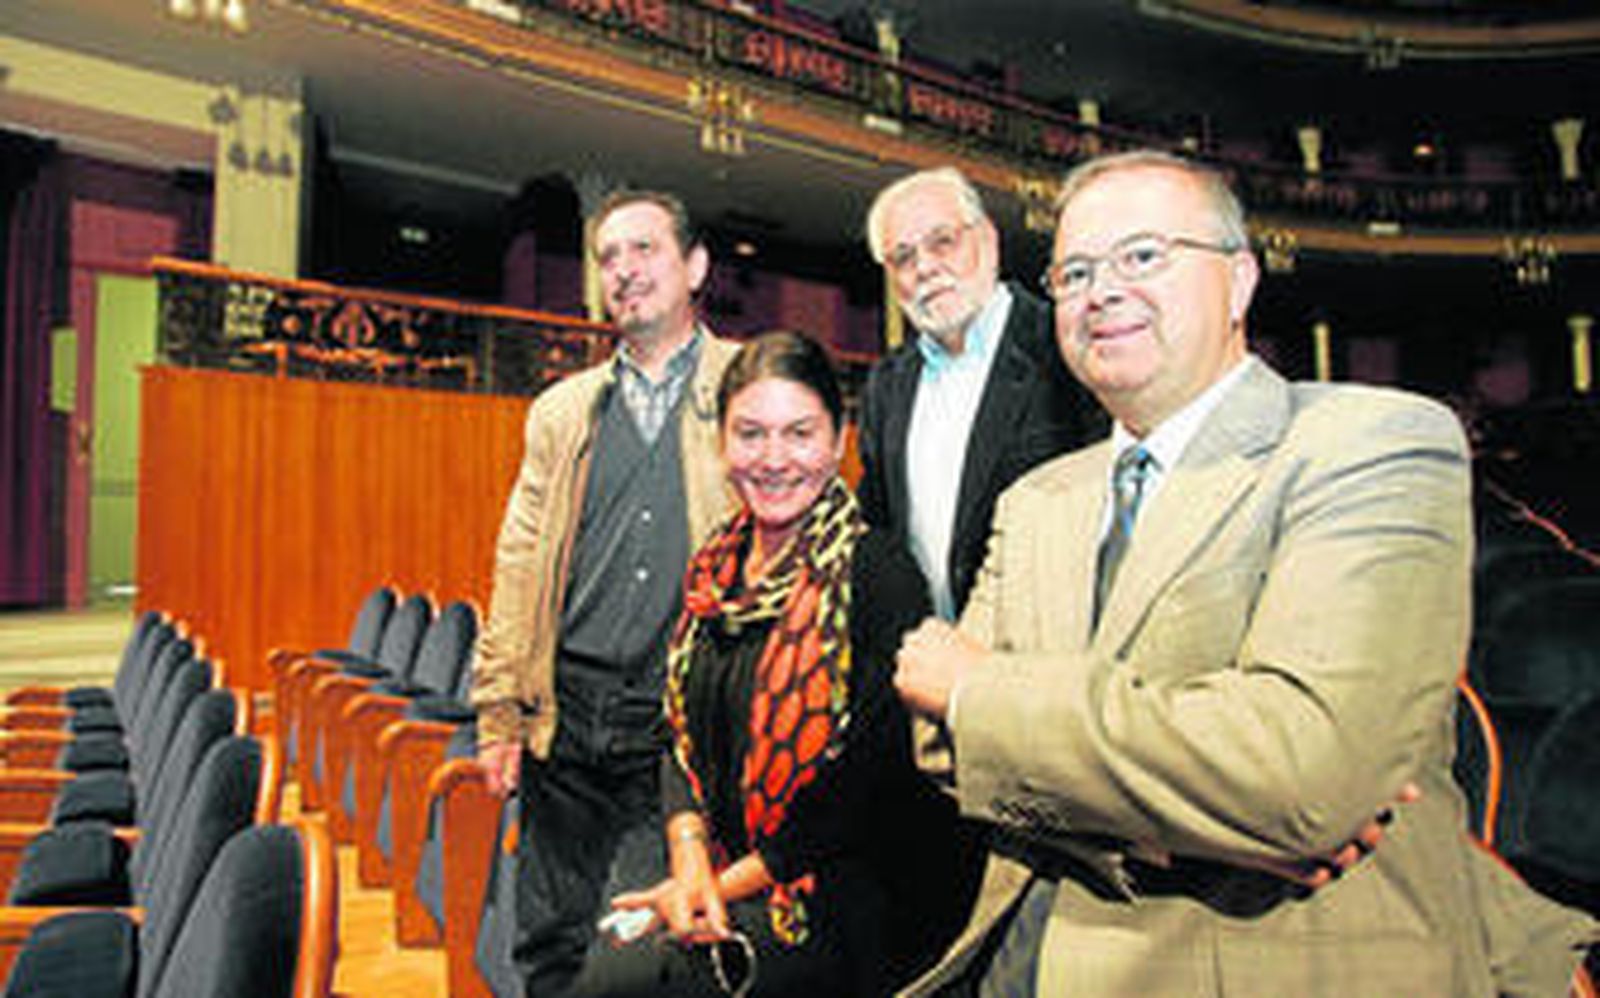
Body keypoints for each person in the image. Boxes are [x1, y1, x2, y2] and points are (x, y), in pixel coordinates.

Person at [894, 150, 1597, 995]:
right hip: (1030, 950)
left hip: (1266, 958)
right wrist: (1204, 822)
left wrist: (988, 696)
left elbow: (1299, 773)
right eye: (1074, 271)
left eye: (1143, 256)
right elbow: (936, 741)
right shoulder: (1038, 498)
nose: (1101, 290)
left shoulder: (1373, 443)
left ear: (1238, 281)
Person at [575, 332, 966, 996]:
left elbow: (866, 793)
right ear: (721, 444)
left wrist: (712, 889)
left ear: (839, 440)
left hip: (840, 898)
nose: (775, 459)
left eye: (800, 433)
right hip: (718, 865)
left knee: (621, 983)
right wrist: (690, 853)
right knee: (602, 954)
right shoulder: (712, 571)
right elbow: (674, 734)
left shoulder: (878, 573)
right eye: (751, 434)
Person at [469, 189, 742, 996]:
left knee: (644, 947)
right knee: (547, 943)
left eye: (644, 250)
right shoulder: (564, 409)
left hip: (679, 733)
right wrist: (499, 709)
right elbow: (519, 560)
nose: (623, 271)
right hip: (567, 721)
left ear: (694, 267)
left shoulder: (746, 386)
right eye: (608, 258)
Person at [859, 166, 1103, 622]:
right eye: (903, 257)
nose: (926, 268)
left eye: (942, 242)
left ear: (988, 240)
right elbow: (880, 537)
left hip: (1039, 659)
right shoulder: (886, 386)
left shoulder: (1066, 350)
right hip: (923, 664)